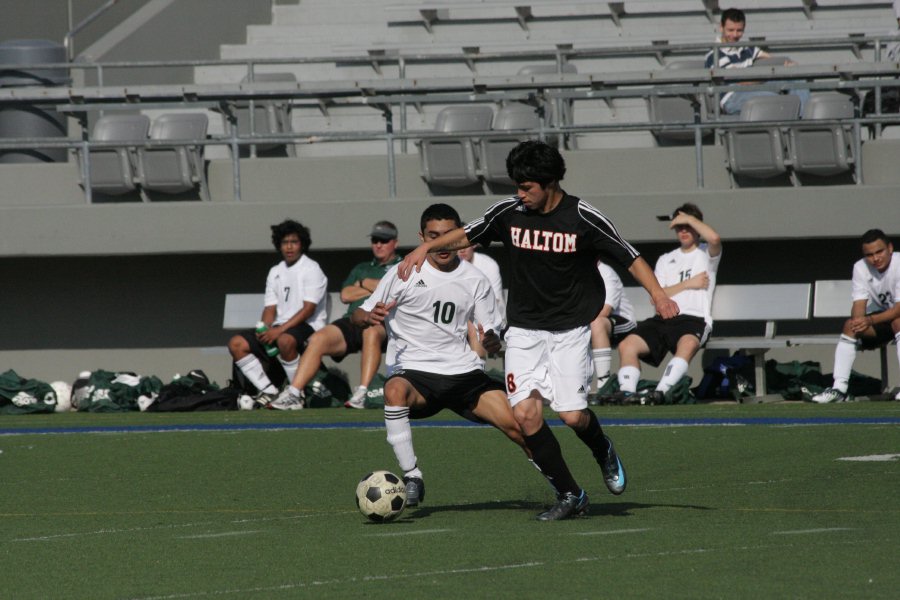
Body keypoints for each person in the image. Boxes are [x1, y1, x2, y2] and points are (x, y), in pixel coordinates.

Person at [398, 140, 679, 521]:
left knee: (572, 417)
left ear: (549, 183)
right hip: (524, 332)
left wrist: (659, 297)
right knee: (527, 417)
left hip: (570, 330)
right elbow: (466, 233)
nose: (520, 193)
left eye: (527, 186)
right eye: (517, 185)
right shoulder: (508, 212)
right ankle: (570, 494)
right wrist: (422, 250)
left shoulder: (584, 217)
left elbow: (631, 257)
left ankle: (601, 447)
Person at [352, 204, 553, 515]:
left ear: (461, 237)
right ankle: (413, 476)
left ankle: (564, 489)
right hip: (414, 374)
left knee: (521, 427)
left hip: (463, 375)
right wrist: (368, 315)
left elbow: (491, 332)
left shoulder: (476, 279)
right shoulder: (402, 272)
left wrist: (492, 340)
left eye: (449, 236)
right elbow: (360, 313)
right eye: (434, 236)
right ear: (422, 237)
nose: (442, 244)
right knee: (394, 391)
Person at [270, 221, 401, 410]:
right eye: (375, 240)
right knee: (318, 339)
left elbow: (394, 293)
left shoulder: (402, 266)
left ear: (395, 243)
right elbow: (346, 295)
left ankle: (363, 392)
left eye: (384, 240)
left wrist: (362, 285)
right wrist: (376, 286)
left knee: (370, 333)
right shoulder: (361, 268)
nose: (379, 245)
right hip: (354, 319)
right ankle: (294, 393)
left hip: (383, 321)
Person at [614, 204, 722, 405]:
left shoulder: (706, 254)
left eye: (687, 226)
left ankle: (661, 392)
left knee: (688, 344)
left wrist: (688, 218)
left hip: (694, 319)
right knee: (627, 345)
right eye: (679, 227)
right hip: (663, 318)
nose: (683, 231)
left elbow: (715, 238)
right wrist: (689, 283)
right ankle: (627, 393)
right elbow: (656, 296)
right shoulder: (666, 259)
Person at [227, 219, 328, 404]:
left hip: (308, 326)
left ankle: (296, 393)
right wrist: (264, 329)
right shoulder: (275, 271)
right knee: (236, 344)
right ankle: (270, 392)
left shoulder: (311, 269)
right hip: (280, 327)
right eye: (284, 242)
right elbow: (270, 308)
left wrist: (278, 330)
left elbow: (308, 309)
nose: (289, 247)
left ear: (302, 244)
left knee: (285, 340)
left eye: (294, 242)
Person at [812, 229, 900, 403]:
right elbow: (859, 305)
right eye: (870, 254)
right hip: (886, 321)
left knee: (899, 321)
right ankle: (839, 389)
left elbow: (898, 310)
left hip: (895, 318)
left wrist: (869, 320)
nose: (875, 258)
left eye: (879, 252)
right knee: (850, 325)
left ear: (890, 248)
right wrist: (859, 322)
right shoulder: (860, 267)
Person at [705, 7, 809, 116]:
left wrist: (787, 66)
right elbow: (739, 80)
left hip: (753, 87)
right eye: (730, 30)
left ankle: (803, 122)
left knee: (796, 78)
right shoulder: (714, 54)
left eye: (739, 30)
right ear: (721, 28)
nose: (735, 35)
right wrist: (770, 74)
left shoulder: (745, 48)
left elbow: (770, 59)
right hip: (732, 96)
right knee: (774, 99)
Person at [590, 261, 637, 393]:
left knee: (597, 323)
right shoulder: (578, 272)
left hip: (624, 321)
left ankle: (603, 384)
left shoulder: (606, 273)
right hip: (592, 322)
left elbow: (606, 311)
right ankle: (576, 390)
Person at [458, 244, 506, 360]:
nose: (462, 249)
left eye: (465, 245)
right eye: (457, 245)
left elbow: (494, 301)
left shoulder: (488, 265)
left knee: (474, 321)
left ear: (473, 245)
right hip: (460, 319)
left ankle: (477, 366)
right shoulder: (449, 267)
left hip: (492, 319)